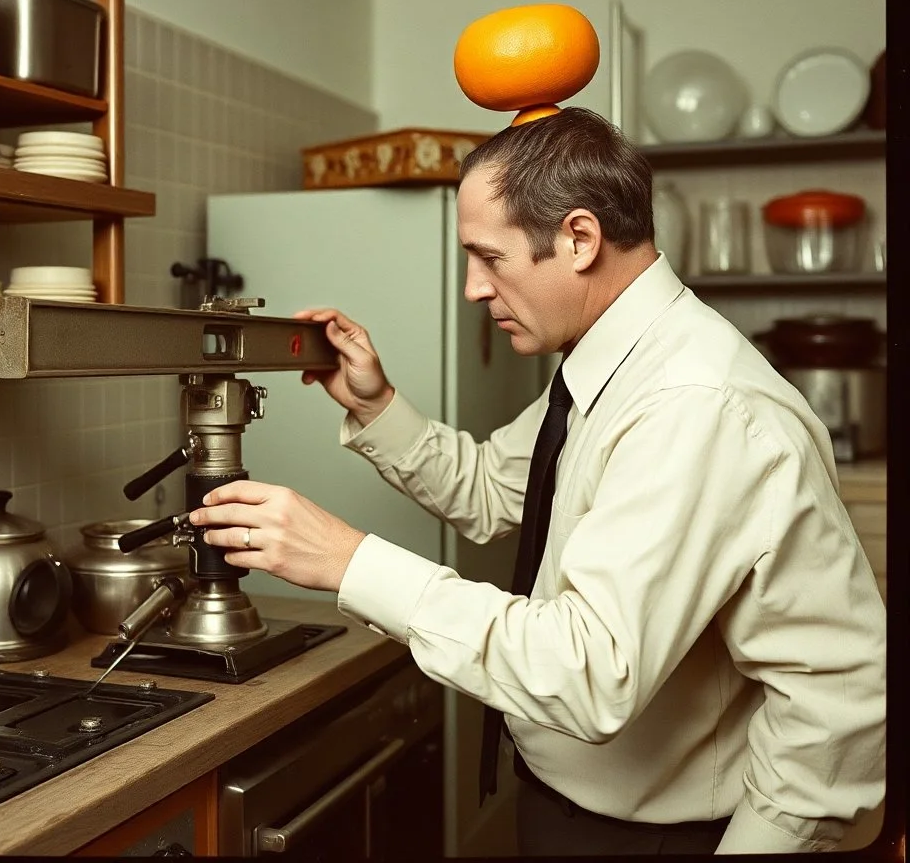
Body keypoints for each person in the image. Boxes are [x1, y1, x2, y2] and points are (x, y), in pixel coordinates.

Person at [190, 107, 887, 855]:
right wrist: (375, 404)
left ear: (580, 239)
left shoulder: (690, 404)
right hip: (573, 801)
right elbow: (493, 488)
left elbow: (590, 671)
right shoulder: (611, 363)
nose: (472, 288)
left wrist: (348, 561)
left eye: (489, 258)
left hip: (675, 836)